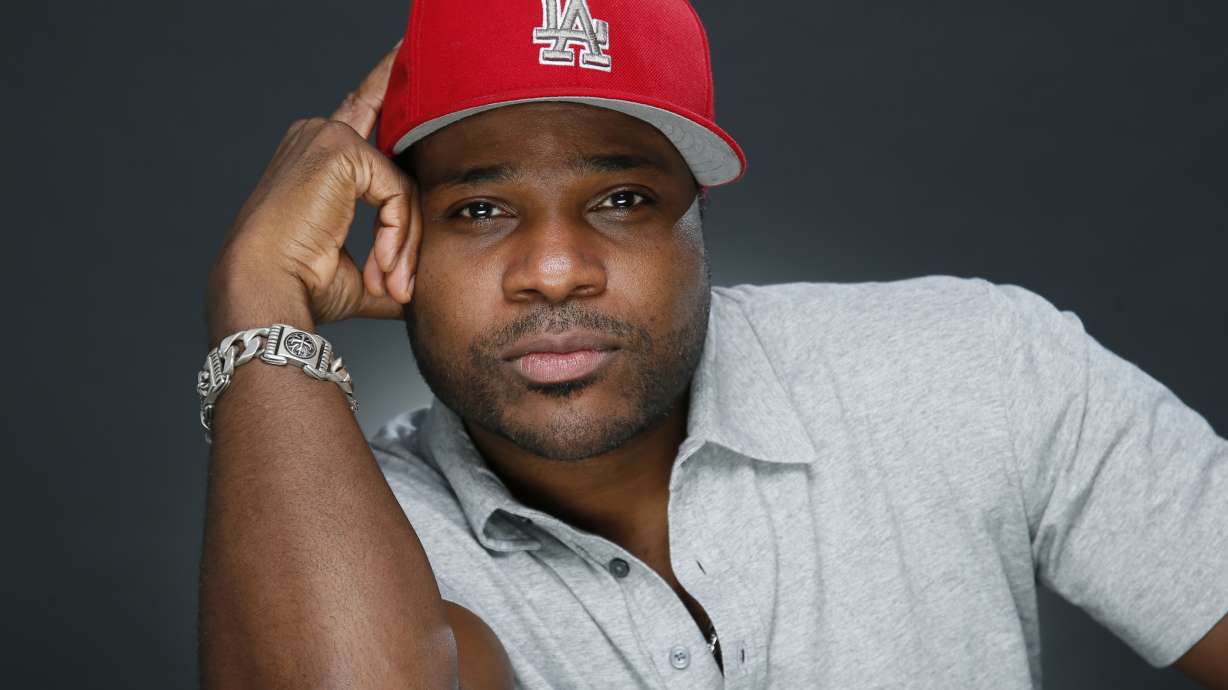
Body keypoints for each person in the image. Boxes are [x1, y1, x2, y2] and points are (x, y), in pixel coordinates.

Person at [196, 1, 1228, 687]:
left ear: (697, 222)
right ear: (399, 241)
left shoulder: (975, 365)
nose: (555, 269)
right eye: (479, 210)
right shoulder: (339, 531)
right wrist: (259, 302)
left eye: (620, 198)